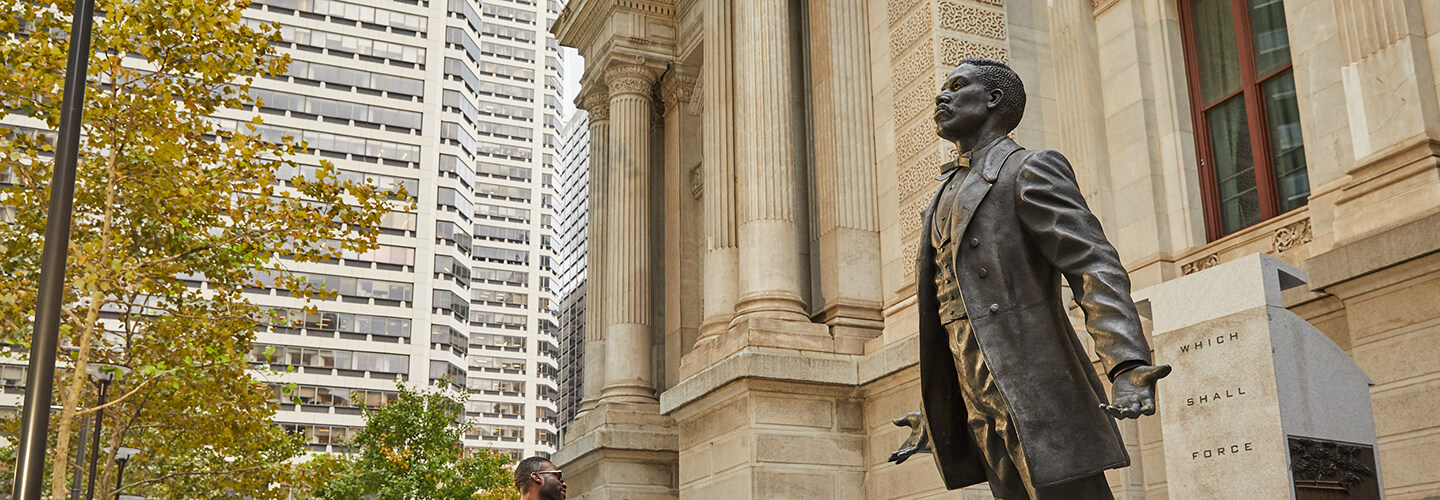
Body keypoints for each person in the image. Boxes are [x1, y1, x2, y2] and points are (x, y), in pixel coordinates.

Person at [896, 57, 1171, 499]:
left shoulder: (1028, 169)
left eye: (956, 86)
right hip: (979, 399)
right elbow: (952, 316)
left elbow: (1092, 264)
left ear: (992, 99)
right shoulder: (940, 198)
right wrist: (937, 411)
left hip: (1038, 389)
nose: (940, 95)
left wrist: (1127, 363)